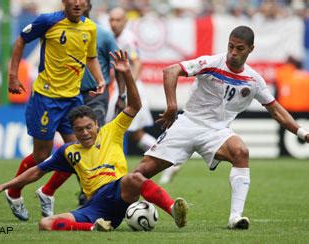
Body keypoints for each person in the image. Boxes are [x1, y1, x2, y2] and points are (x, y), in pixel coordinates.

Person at [0, 50, 188, 231]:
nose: (86, 133)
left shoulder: (111, 131)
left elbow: (134, 106)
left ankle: (173, 210)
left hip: (119, 191)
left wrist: (126, 73)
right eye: (79, 130)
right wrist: (4, 186)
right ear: (74, 131)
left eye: (89, 127)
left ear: (96, 124)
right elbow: (37, 171)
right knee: (46, 224)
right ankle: (95, 228)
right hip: (96, 206)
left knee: (134, 178)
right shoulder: (69, 151)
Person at [132, 26, 309, 229]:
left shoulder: (254, 80)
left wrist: (302, 133)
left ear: (251, 49)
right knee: (138, 174)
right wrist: (172, 105)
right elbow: (170, 71)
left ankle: (235, 218)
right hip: (188, 123)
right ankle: (113, 212)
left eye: (239, 48)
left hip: (216, 132)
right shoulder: (211, 63)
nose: (233, 52)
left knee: (241, 151)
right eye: (230, 46)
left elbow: (276, 110)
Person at [6, 0, 106, 221]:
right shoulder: (48, 21)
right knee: (42, 155)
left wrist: (100, 79)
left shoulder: (89, 27)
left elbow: (90, 57)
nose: (78, 3)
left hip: (73, 99)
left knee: (77, 153)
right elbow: (21, 40)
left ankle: (47, 191)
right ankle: (13, 192)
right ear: (64, 2)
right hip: (46, 99)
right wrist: (13, 75)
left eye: (83, 0)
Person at [36, 0, 125, 212]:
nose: (75, 7)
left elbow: (119, 65)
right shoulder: (61, 29)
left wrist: (121, 94)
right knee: (78, 147)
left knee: (92, 144)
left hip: (95, 96)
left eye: (80, 4)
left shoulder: (101, 34)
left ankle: (86, 194)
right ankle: (56, 190)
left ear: (86, 9)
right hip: (70, 94)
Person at [108, 7, 156, 153]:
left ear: (125, 21)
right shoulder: (116, 38)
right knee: (135, 133)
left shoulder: (127, 39)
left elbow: (138, 63)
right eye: (111, 20)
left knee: (110, 126)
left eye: (118, 20)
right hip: (123, 88)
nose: (114, 23)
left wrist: (130, 87)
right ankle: (162, 154)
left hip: (128, 90)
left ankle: (163, 155)